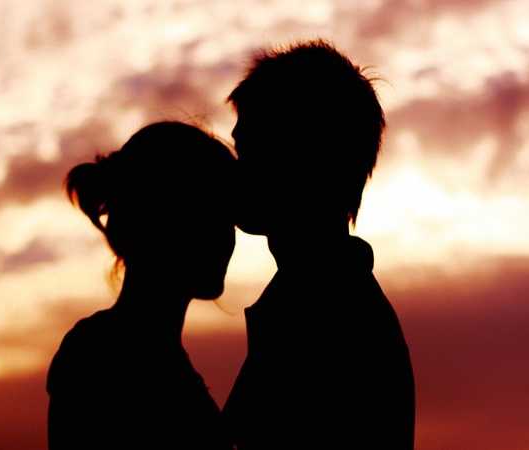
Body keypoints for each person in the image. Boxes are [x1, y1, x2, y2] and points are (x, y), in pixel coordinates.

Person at [222, 40, 416, 449]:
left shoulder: (326, 319)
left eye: (247, 150)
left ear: (298, 157)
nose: (234, 174)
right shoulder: (318, 302)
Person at [46, 121, 235, 449]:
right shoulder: (104, 355)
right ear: (163, 221)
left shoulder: (134, 350)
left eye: (228, 219)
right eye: (211, 215)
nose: (225, 237)